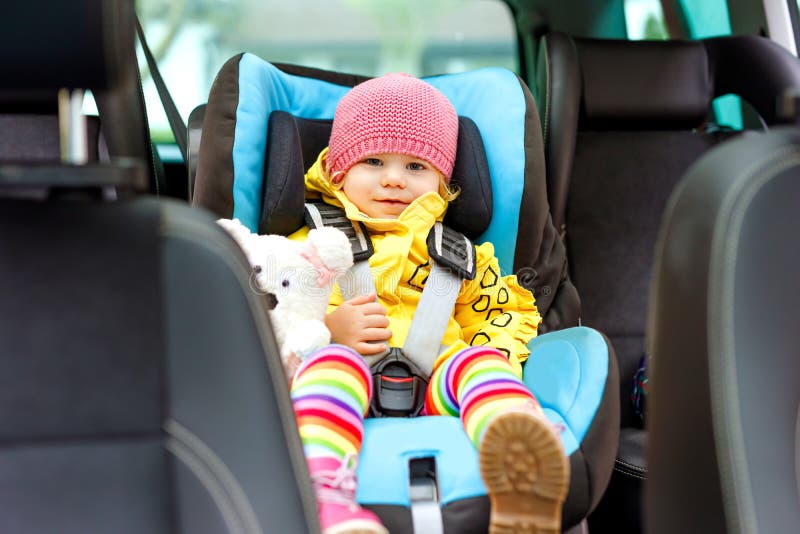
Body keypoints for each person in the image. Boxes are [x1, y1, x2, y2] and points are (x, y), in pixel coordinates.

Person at [287, 73, 568, 534]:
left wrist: (486, 358)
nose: (394, 179)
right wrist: (328, 328)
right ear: (339, 169)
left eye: (416, 167)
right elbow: (277, 314)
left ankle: (522, 447)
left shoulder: (460, 254)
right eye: (373, 161)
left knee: (479, 364)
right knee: (328, 368)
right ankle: (324, 498)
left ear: (442, 179)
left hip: (437, 385)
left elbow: (501, 314)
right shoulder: (311, 247)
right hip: (347, 386)